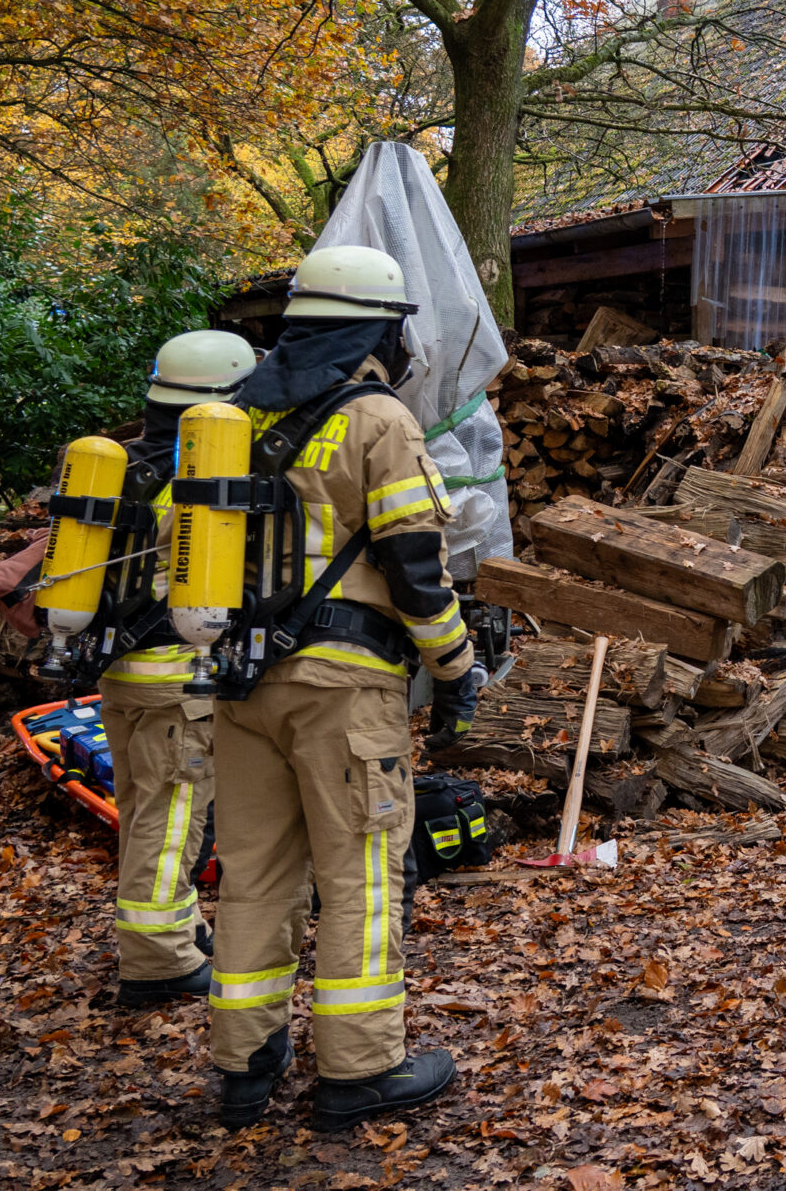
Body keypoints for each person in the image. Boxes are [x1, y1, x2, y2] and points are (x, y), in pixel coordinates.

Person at [206, 244, 483, 1131]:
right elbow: (415, 567)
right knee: (361, 872)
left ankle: (245, 1064)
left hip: (241, 683)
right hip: (344, 687)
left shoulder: (234, 416)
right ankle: (361, 1068)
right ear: (379, 332)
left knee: (253, 875)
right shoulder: (377, 420)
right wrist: (456, 669)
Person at [102, 330, 257, 1007]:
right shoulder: (201, 472)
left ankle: (176, 929)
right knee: (172, 817)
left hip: (118, 667)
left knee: (142, 809)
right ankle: (159, 960)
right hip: (178, 674)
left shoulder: (121, 461)